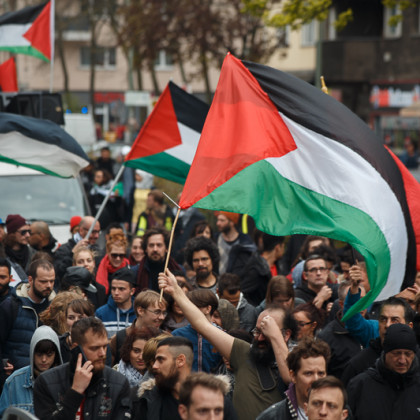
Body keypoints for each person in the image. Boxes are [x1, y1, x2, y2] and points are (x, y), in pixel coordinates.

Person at [159, 269, 294, 420]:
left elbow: (290, 378)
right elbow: (202, 325)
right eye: (257, 331)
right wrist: (176, 291)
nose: (260, 338)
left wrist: (275, 336)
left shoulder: (299, 360)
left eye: (267, 332)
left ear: (286, 334)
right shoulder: (244, 353)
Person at [33, 317, 131, 419]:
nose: (102, 353)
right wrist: (75, 391)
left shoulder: (119, 382)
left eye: (105, 346)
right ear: (76, 348)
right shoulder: (46, 382)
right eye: (95, 348)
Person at [133, 336, 236, 420]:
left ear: (180, 360)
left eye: (161, 360)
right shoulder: (148, 400)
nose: (155, 366)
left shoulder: (217, 400)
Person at [347, 323, 420, 420]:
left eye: (408, 354)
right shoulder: (359, 386)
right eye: (396, 353)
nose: (402, 360)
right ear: (385, 353)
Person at [0, 259, 56, 370]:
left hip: (47, 374)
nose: (49, 285)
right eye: (43, 281)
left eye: (52, 281)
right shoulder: (10, 306)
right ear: (30, 280)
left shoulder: (56, 307)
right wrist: (3, 364)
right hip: (16, 374)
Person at [256, 337, 330, 420]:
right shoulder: (273, 417)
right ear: (293, 376)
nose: (316, 380)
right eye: (308, 373)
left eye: (321, 373)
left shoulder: (338, 413)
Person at [0, 325, 62, 417]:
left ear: (56, 355)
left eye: (49, 354)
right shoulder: (13, 382)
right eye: (39, 354)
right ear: (32, 352)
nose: (44, 359)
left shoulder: (66, 382)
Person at [110, 290, 168, 363]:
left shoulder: (166, 338)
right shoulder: (119, 338)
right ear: (140, 311)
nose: (162, 317)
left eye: (164, 313)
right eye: (157, 312)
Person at [172, 289, 222, 373]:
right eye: (187, 307)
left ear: (208, 309)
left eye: (194, 307)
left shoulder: (222, 336)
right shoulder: (177, 335)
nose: (189, 310)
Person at [240, 232, 286, 306]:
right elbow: (244, 294)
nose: (284, 250)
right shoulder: (256, 269)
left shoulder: (279, 265)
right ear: (277, 247)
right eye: (283, 246)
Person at [134, 227, 180, 294]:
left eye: (159, 245)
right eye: (151, 245)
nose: (155, 249)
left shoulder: (178, 270)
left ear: (167, 248)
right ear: (146, 249)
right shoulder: (136, 272)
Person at [54, 216, 101, 281]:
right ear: (81, 230)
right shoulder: (63, 250)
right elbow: (59, 274)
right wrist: (72, 254)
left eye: (98, 232)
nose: (97, 236)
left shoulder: (96, 249)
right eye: (93, 232)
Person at [95, 267, 137, 337]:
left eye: (121, 289)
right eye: (113, 288)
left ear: (132, 291)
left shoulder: (139, 314)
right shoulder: (100, 313)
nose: (116, 293)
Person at [214, 211, 256, 275]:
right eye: (218, 220)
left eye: (222, 220)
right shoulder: (215, 239)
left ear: (232, 222)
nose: (218, 223)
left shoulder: (245, 242)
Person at [59, 298, 95, 363]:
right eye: (71, 318)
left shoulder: (99, 345)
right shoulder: (58, 344)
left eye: (81, 318)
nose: (76, 321)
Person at [3, 214, 35, 283]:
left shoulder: (33, 253)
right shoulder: (2, 254)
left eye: (29, 231)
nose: (28, 235)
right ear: (12, 233)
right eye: (23, 232)